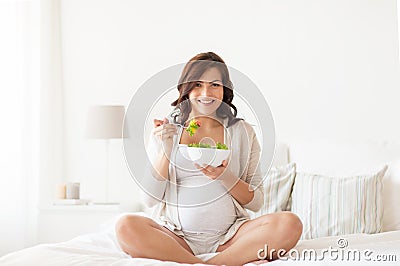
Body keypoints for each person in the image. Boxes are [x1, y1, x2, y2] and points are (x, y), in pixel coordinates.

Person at [115, 52, 302, 265]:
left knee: (290, 223)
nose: (206, 93)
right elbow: (149, 200)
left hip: (231, 238)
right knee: (125, 226)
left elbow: (257, 202)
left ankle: (212, 263)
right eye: (197, 85)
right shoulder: (166, 131)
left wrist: (225, 176)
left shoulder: (242, 132)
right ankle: (201, 263)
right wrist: (166, 150)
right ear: (186, 89)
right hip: (177, 238)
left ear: (225, 90)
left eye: (215, 85)